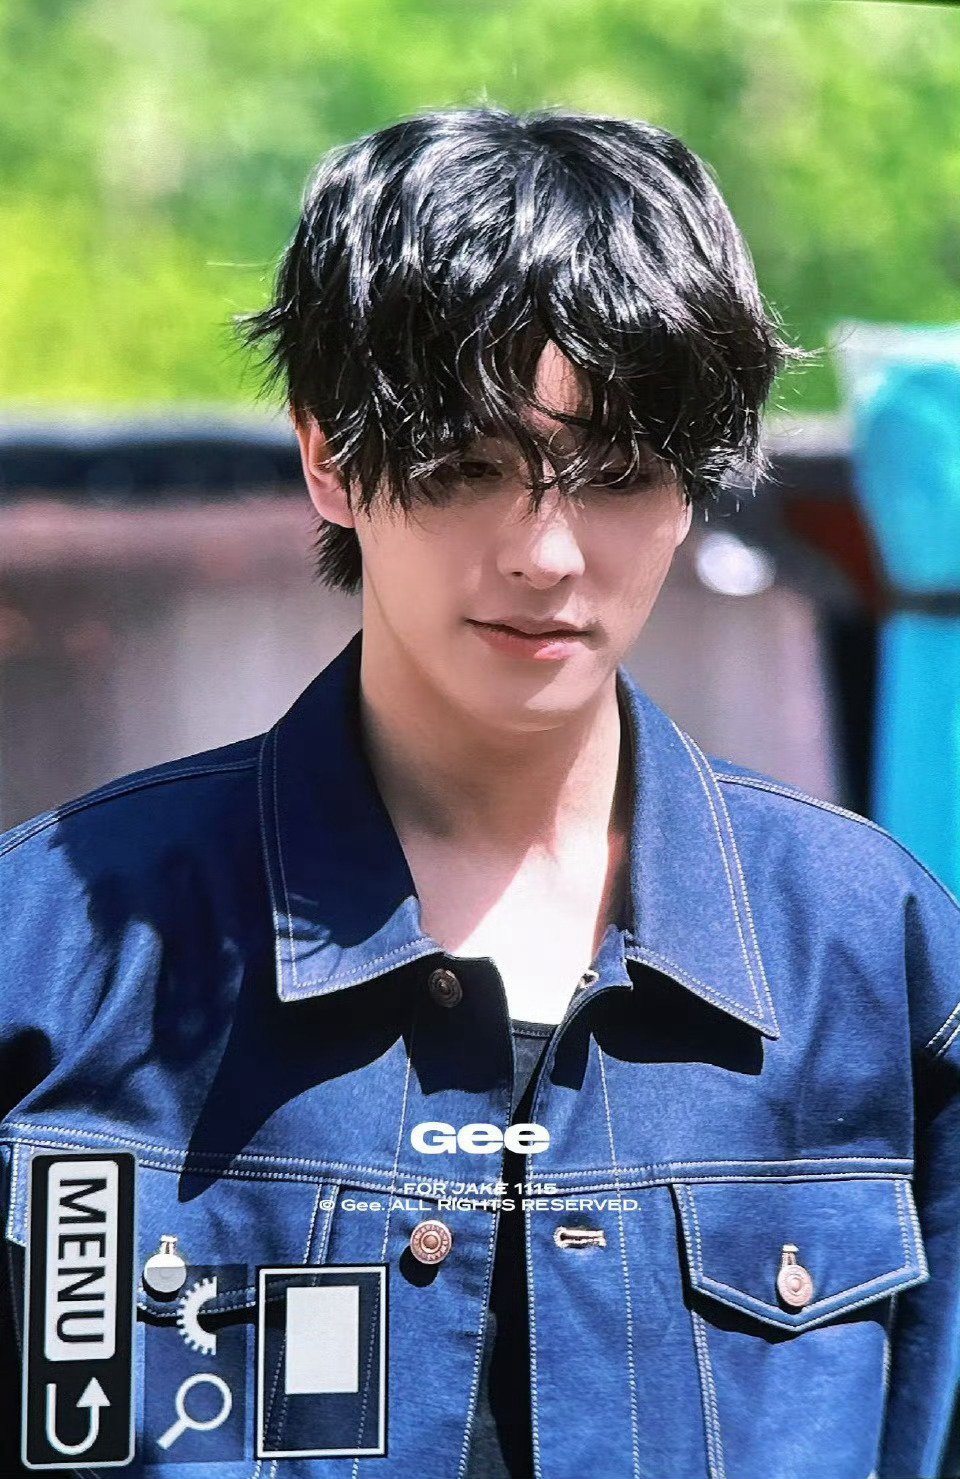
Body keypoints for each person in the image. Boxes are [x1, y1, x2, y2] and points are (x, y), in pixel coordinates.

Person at [1, 103, 958, 1479]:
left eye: (618, 473)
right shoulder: (52, 956)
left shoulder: (872, 956)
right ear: (330, 458)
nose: (545, 554)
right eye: (468, 468)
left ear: (693, 486)